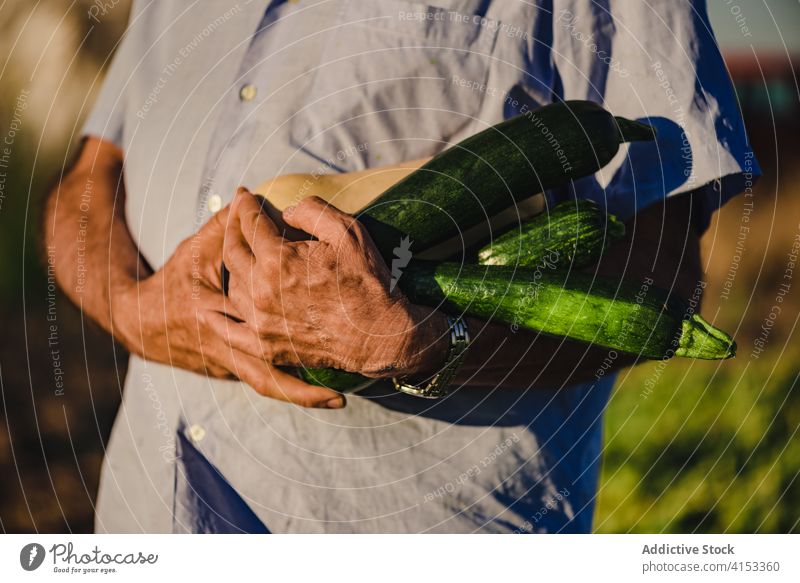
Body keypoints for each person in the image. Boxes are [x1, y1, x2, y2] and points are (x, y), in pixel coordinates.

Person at [44, 0, 757, 533]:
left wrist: (424, 344)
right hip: (153, 510)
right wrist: (131, 307)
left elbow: (660, 277)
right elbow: (87, 182)